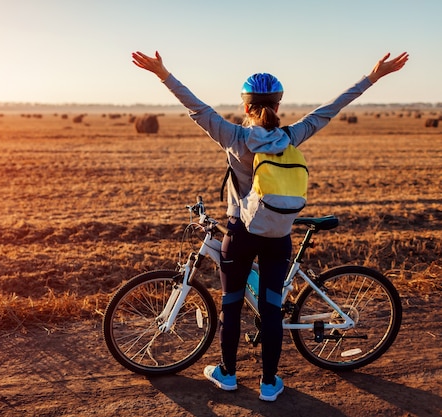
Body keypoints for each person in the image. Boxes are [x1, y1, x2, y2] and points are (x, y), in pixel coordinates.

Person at [131, 50, 409, 401]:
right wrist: (373, 76)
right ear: (278, 105)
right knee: (272, 308)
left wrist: (162, 73)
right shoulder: (291, 137)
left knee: (231, 304)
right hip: (278, 237)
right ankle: (269, 383)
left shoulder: (234, 137)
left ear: (246, 107)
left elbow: (196, 107)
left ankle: (228, 374)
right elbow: (331, 108)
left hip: (240, 234)